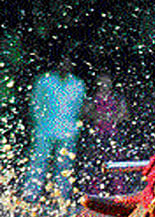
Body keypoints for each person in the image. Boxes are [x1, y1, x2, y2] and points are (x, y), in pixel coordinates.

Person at [20, 52, 86, 203]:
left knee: (64, 165)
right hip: (45, 128)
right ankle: (30, 195)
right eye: (63, 63)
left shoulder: (77, 84)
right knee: (38, 162)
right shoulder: (45, 81)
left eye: (68, 63)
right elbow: (36, 105)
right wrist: (38, 123)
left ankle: (61, 196)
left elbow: (79, 108)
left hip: (68, 129)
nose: (65, 66)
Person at [81, 72, 130, 194]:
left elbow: (125, 115)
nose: (104, 85)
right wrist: (98, 116)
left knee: (116, 164)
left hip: (113, 134)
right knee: (95, 165)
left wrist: (112, 117)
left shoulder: (117, 98)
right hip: (97, 135)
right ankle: (95, 192)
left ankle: (119, 192)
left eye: (106, 83)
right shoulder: (92, 98)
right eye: (101, 83)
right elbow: (85, 113)